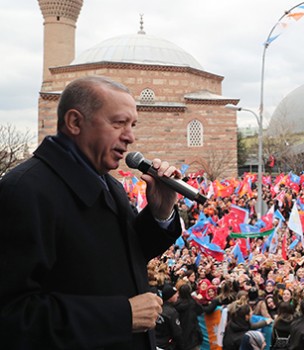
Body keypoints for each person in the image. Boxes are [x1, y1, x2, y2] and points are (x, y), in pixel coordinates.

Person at [0, 76, 183, 349]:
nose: (130, 137)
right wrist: (122, 316)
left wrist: (161, 210)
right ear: (75, 122)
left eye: (132, 125)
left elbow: (121, 256)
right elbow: (12, 315)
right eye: (118, 123)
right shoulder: (25, 192)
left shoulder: (108, 184)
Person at [155, 284, 184, 350]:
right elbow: (177, 333)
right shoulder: (172, 312)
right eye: (175, 294)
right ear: (170, 297)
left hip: (156, 344)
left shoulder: (158, 308)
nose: (177, 295)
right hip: (165, 345)